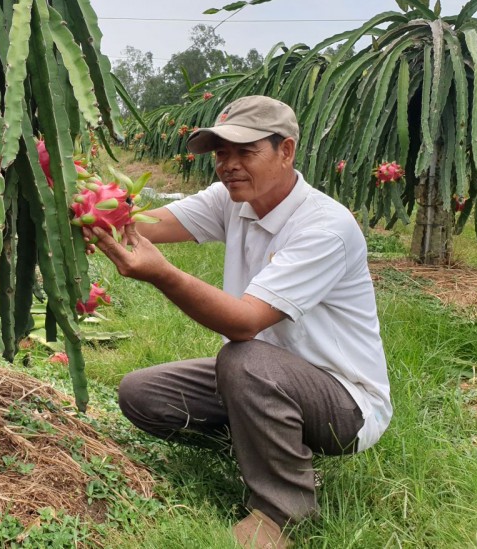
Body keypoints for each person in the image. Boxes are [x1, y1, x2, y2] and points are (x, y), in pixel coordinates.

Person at [86, 95, 391, 549]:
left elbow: (246, 324)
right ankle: (271, 451)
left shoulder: (325, 227)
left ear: (285, 151)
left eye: (244, 151)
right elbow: (152, 223)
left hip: (344, 401)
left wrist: (163, 275)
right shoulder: (234, 199)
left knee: (243, 357)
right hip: (267, 377)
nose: (228, 165)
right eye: (221, 153)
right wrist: (88, 204)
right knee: (143, 394)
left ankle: (282, 512)